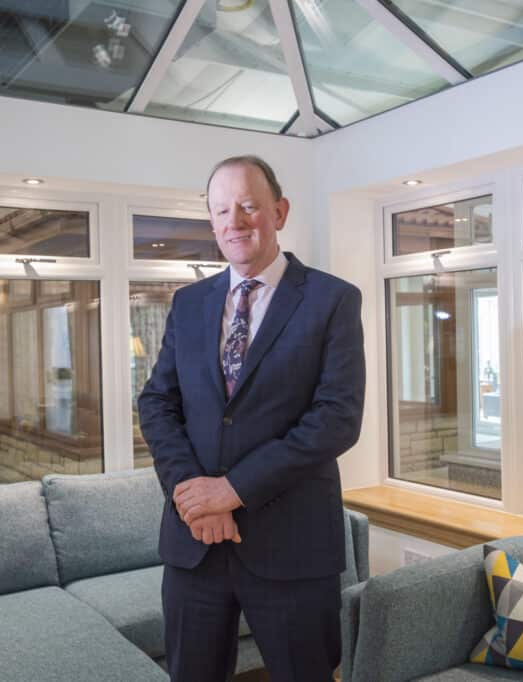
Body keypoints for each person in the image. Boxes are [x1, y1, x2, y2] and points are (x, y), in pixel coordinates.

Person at [138, 155, 366, 682]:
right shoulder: (189, 303)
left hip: (293, 548)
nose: (234, 223)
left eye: (248, 207)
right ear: (212, 224)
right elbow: (157, 402)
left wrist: (233, 489)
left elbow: (336, 418)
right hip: (194, 548)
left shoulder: (332, 300)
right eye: (222, 211)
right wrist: (193, 492)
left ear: (279, 211)